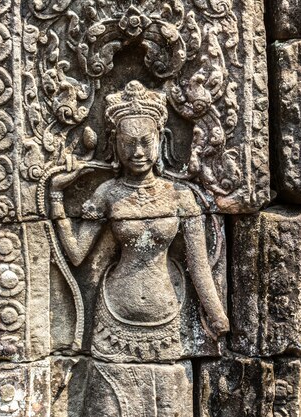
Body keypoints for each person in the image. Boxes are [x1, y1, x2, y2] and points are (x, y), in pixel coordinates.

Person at [49, 80, 229, 363]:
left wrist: (216, 313)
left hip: (170, 316)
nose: (138, 152)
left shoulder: (180, 197)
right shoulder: (107, 193)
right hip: (114, 317)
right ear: (114, 144)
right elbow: (76, 254)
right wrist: (56, 195)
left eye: (145, 142)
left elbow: (199, 265)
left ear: (161, 139)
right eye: (128, 143)